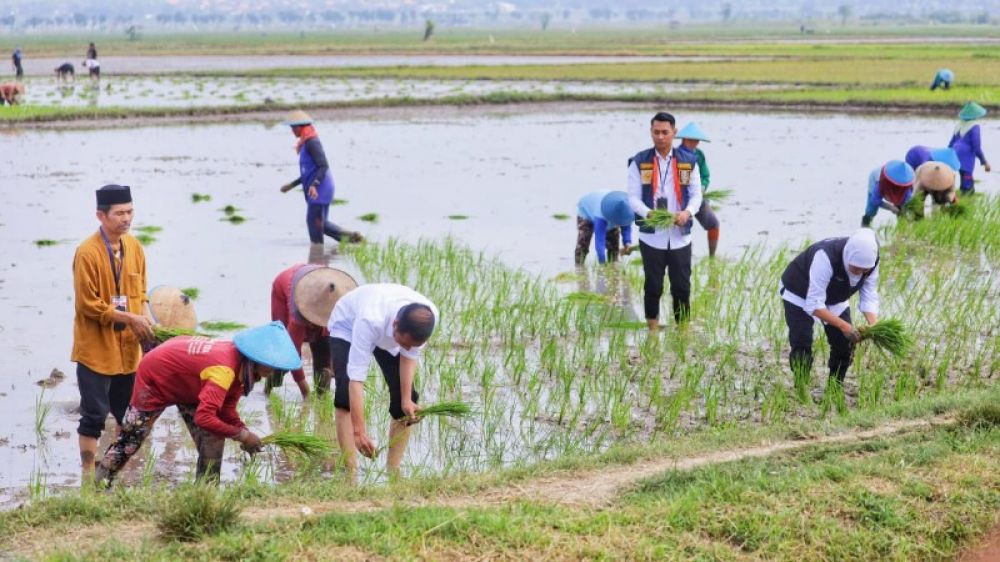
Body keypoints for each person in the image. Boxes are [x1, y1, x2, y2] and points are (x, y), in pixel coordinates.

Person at [93, 322, 302, 486]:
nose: (271, 372)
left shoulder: (241, 367)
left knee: (214, 435)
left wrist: (243, 431)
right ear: (256, 358)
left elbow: (226, 410)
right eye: (270, 366)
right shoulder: (225, 370)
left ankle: (206, 489)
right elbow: (204, 417)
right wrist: (243, 435)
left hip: (189, 383)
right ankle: (100, 483)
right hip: (156, 375)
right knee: (131, 439)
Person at [72, 184, 154, 485]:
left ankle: (114, 471)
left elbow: (141, 292)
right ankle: (87, 474)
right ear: (100, 215)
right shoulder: (87, 252)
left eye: (130, 211)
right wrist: (127, 316)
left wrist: (143, 319)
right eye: (119, 213)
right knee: (93, 415)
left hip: (128, 350)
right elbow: (87, 304)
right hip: (96, 349)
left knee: (128, 415)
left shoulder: (135, 248)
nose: (126, 218)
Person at [328, 283, 438, 482]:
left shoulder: (429, 317)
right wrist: (359, 432)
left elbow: (408, 355)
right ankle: (351, 473)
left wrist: (405, 400)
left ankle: (393, 472)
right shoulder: (370, 320)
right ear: (395, 324)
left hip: (385, 334)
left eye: (411, 345)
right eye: (403, 342)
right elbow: (356, 380)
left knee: (406, 403)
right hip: (347, 326)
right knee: (344, 396)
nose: (404, 347)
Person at [626, 112, 703, 331]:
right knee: (653, 285)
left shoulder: (687, 162)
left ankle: (683, 330)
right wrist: (648, 213)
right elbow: (632, 197)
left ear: (674, 133)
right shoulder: (640, 162)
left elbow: (696, 194)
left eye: (665, 132)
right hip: (652, 237)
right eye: (656, 132)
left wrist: (687, 213)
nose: (660, 137)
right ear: (651, 132)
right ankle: (652, 329)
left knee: (681, 287)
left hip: (680, 236)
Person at [779, 228, 881, 392]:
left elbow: (869, 294)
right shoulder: (826, 257)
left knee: (844, 345)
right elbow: (814, 304)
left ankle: (835, 388)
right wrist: (844, 326)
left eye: (865, 270)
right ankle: (801, 389)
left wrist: (875, 325)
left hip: (835, 298)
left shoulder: (872, 261)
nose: (860, 273)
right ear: (848, 256)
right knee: (802, 343)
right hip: (799, 294)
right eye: (855, 268)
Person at [269, 264, 357, 398]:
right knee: (281, 356)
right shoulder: (298, 311)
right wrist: (304, 390)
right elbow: (292, 353)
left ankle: (322, 398)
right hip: (286, 287)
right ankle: (268, 388)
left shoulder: (337, 300)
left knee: (324, 359)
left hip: (320, 285)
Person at [279, 110, 363, 246]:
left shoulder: (312, 142)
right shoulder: (305, 143)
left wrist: (314, 185)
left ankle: (317, 255)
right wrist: (291, 185)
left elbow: (323, 166)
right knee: (320, 223)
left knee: (314, 223)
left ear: (300, 127)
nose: (292, 131)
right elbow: (308, 172)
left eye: (293, 128)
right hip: (318, 187)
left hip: (320, 188)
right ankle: (352, 238)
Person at [674, 122, 721, 257]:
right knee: (683, 230)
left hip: (698, 197)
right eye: (692, 140)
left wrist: (702, 188)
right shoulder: (676, 155)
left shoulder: (699, 155)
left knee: (713, 223)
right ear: (684, 139)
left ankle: (712, 257)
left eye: (696, 140)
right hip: (681, 200)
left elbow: (705, 175)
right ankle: (685, 257)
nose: (695, 143)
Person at [575, 190, 633, 265]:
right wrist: (602, 263)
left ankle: (613, 267)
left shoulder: (626, 210)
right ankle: (579, 267)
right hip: (586, 212)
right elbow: (599, 241)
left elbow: (626, 228)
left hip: (606, 208)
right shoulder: (601, 215)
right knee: (584, 242)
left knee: (613, 246)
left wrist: (627, 243)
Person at [948, 101, 990, 194]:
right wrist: (984, 162)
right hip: (966, 156)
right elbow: (976, 147)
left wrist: (947, 157)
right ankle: (966, 195)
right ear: (976, 115)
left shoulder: (959, 125)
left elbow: (951, 143)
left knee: (963, 175)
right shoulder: (974, 127)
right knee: (967, 180)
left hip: (955, 153)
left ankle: (962, 194)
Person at [861, 160, 915, 227]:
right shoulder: (880, 183)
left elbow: (908, 201)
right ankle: (866, 224)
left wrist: (906, 213)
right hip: (876, 178)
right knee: (871, 209)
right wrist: (890, 207)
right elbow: (875, 200)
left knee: (901, 209)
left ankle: (900, 228)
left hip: (899, 189)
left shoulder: (907, 187)